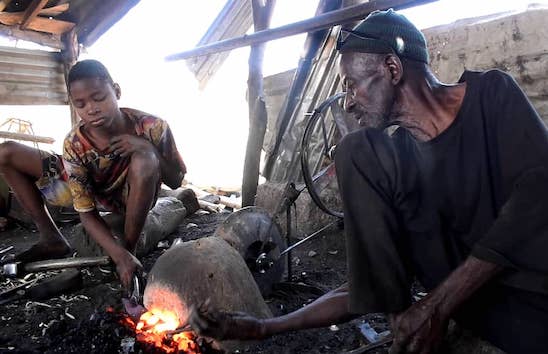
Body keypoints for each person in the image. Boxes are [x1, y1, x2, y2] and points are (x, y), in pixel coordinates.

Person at [189, 9, 548, 354]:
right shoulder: (395, 163)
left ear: (392, 67)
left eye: (352, 85)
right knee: (355, 149)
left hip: (538, 304)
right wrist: (264, 327)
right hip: (488, 317)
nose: (347, 102)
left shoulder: (491, 96)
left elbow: (538, 195)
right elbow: (371, 286)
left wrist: (437, 305)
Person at [0, 59, 187, 289]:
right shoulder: (74, 144)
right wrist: (115, 255)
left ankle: (130, 249)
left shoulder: (152, 127)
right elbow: (86, 214)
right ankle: (52, 239)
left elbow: (176, 180)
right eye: (80, 103)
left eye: (99, 98)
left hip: (131, 195)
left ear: (116, 91)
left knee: (145, 158)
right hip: (87, 192)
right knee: (5, 152)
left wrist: (147, 149)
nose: (91, 108)